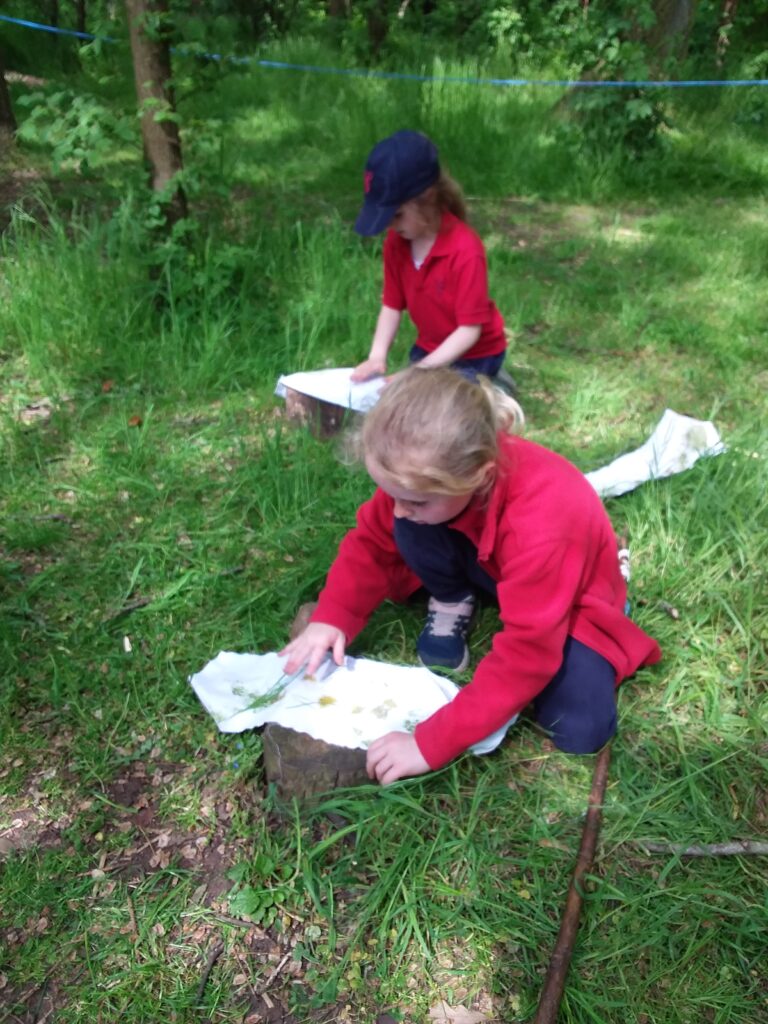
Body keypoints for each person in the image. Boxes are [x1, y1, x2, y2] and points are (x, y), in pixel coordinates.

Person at [280, 368, 661, 785]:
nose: (398, 507)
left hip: (569, 596)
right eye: (391, 494)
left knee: (579, 730)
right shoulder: (421, 478)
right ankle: (452, 595)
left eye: (414, 500)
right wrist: (332, 615)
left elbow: (528, 655)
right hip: (496, 563)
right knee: (407, 526)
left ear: (478, 476)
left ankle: (603, 586)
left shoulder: (541, 521)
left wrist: (430, 742)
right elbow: (371, 542)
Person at [350, 130, 508, 384]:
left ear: (427, 200)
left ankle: (496, 390)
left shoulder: (465, 250)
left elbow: (469, 331)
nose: (391, 225)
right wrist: (377, 356)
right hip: (431, 349)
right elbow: (391, 306)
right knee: (407, 402)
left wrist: (419, 371)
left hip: (477, 355)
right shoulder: (397, 243)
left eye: (397, 215)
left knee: (445, 411)